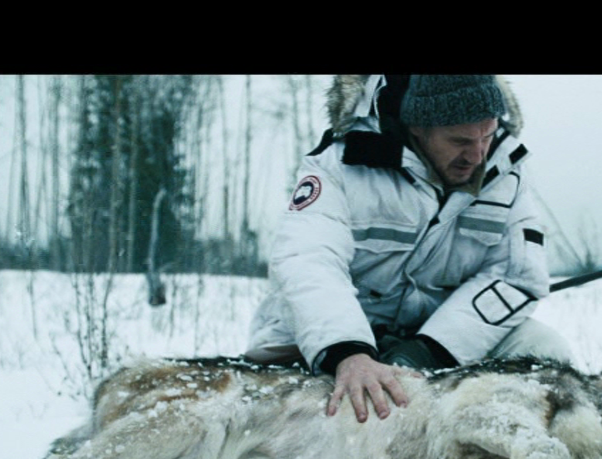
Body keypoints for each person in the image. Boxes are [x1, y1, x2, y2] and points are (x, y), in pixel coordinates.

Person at [245, 75, 572, 423]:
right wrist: (348, 351)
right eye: (460, 140)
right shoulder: (341, 164)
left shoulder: (507, 172)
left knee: (545, 351)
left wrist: (428, 350)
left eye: (487, 136)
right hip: (330, 344)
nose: (477, 155)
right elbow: (308, 261)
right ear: (418, 128)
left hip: (439, 338)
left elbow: (516, 276)